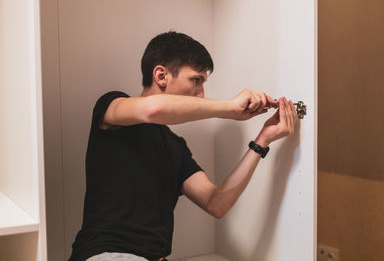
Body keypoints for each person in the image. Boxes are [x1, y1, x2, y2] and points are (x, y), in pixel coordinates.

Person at [68, 31, 298, 261]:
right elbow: (152, 109)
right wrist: (229, 108)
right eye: (196, 80)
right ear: (161, 75)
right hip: (105, 254)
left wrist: (262, 141)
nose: (202, 93)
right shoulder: (112, 106)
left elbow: (217, 203)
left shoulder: (175, 146)